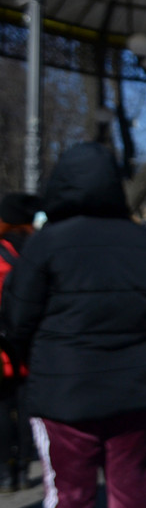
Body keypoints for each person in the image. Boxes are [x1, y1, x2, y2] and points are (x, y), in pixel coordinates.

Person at [1, 142, 146, 508]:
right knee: (130, 491)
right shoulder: (145, 241)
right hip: (133, 391)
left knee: (69, 499)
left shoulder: (48, 242)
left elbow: (17, 319)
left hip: (63, 396)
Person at [0, 191, 41, 492]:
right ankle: (26, 467)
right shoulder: (41, 249)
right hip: (33, 343)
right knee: (27, 405)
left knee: (2, 407)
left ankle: (5, 470)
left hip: (4, 345)